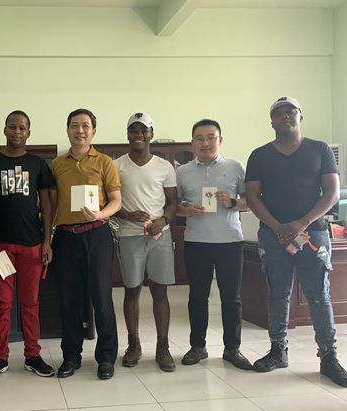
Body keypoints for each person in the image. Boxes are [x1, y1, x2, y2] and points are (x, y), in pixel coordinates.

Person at [245, 97, 347, 386]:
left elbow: (332, 192)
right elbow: (252, 196)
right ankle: (278, 350)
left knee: (319, 295)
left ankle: (328, 357)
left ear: (301, 116)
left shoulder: (320, 150)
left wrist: (302, 222)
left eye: (291, 111)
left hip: (313, 233)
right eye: (279, 113)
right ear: (272, 121)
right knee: (278, 293)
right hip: (272, 235)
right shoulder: (260, 155)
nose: (285, 116)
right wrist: (278, 227)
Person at [0, 111, 56, 380]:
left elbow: (47, 204)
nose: (17, 132)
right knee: (2, 303)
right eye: (13, 127)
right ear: (5, 130)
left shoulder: (37, 164)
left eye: (22, 128)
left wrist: (47, 240)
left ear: (29, 133)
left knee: (30, 303)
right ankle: (0, 358)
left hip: (32, 245)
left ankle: (33, 355)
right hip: (1, 247)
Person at [50, 108, 121, 380]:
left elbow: (116, 200)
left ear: (93, 131)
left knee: (101, 297)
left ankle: (106, 358)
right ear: (67, 130)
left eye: (85, 126)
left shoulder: (104, 162)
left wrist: (101, 214)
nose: (80, 130)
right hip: (66, 237)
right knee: (69, 299)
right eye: (74, 125)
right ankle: (71, 356)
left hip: (97, 234)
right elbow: (51, 203)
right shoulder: (57, 165)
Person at [176, 118, 252, 370]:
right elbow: (174, 206)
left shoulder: (235, 167)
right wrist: (186, 210)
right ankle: (198, 346)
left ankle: (232, 348)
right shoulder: (182, 172)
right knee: (198, 296)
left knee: (232, 297)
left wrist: (233, 202)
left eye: (211, 137)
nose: (205, 143)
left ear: (220, 140)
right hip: (196, 242)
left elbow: (250, 201)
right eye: (200, 138)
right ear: (192, 142)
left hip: (230, 241)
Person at [113, 112, 177, 372]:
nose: (138, 134)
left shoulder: (164, 166)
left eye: (143, 130)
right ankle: (134, 345)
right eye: (134, 130)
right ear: (128, 134)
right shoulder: (116, 166)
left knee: (160, 291)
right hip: (129, 235)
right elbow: (110, 202)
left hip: (159, 235)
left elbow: (172, 202)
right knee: (132, 291)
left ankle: (163, 347)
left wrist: (164, 220)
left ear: (151, 134)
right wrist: (127, 214)